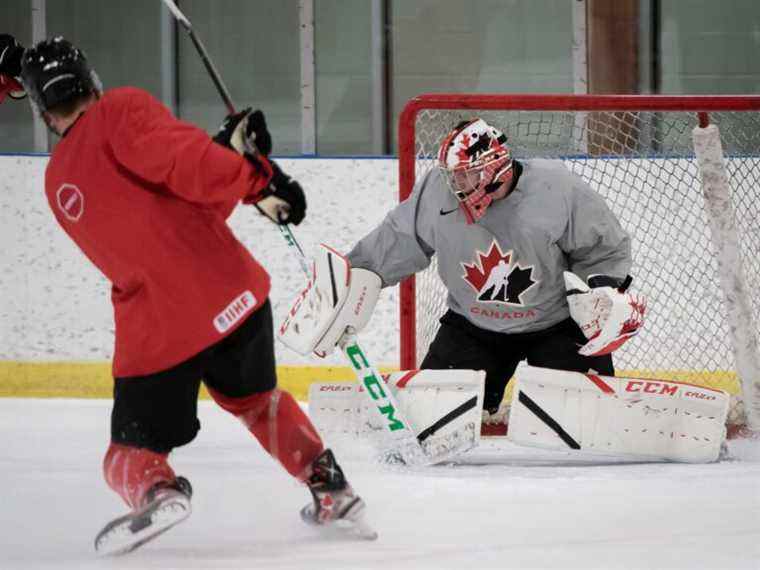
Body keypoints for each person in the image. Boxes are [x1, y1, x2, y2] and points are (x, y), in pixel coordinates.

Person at [14, 35, 375, 555]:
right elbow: (186, 185)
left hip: (162, 328)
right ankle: (332, 490)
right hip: (236, 297)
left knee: (127, 453)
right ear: (90, 80)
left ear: (43, 111)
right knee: (258, 403)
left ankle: (158, 490)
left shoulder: (58, 183)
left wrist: (229, 161)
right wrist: (253, 174)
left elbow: (168, 212)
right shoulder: (120, 109)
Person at [347, 118, 645, 436]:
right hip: (472, 327)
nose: (455, 184)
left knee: (587, 427)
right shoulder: (437, 191)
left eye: (465, 174)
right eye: (452, 175)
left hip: (555, 325)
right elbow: (398, 238)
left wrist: (600, 288)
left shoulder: (556, 188)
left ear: (493, 167)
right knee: (429, 424)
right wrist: (352, 279)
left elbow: (603, 247)